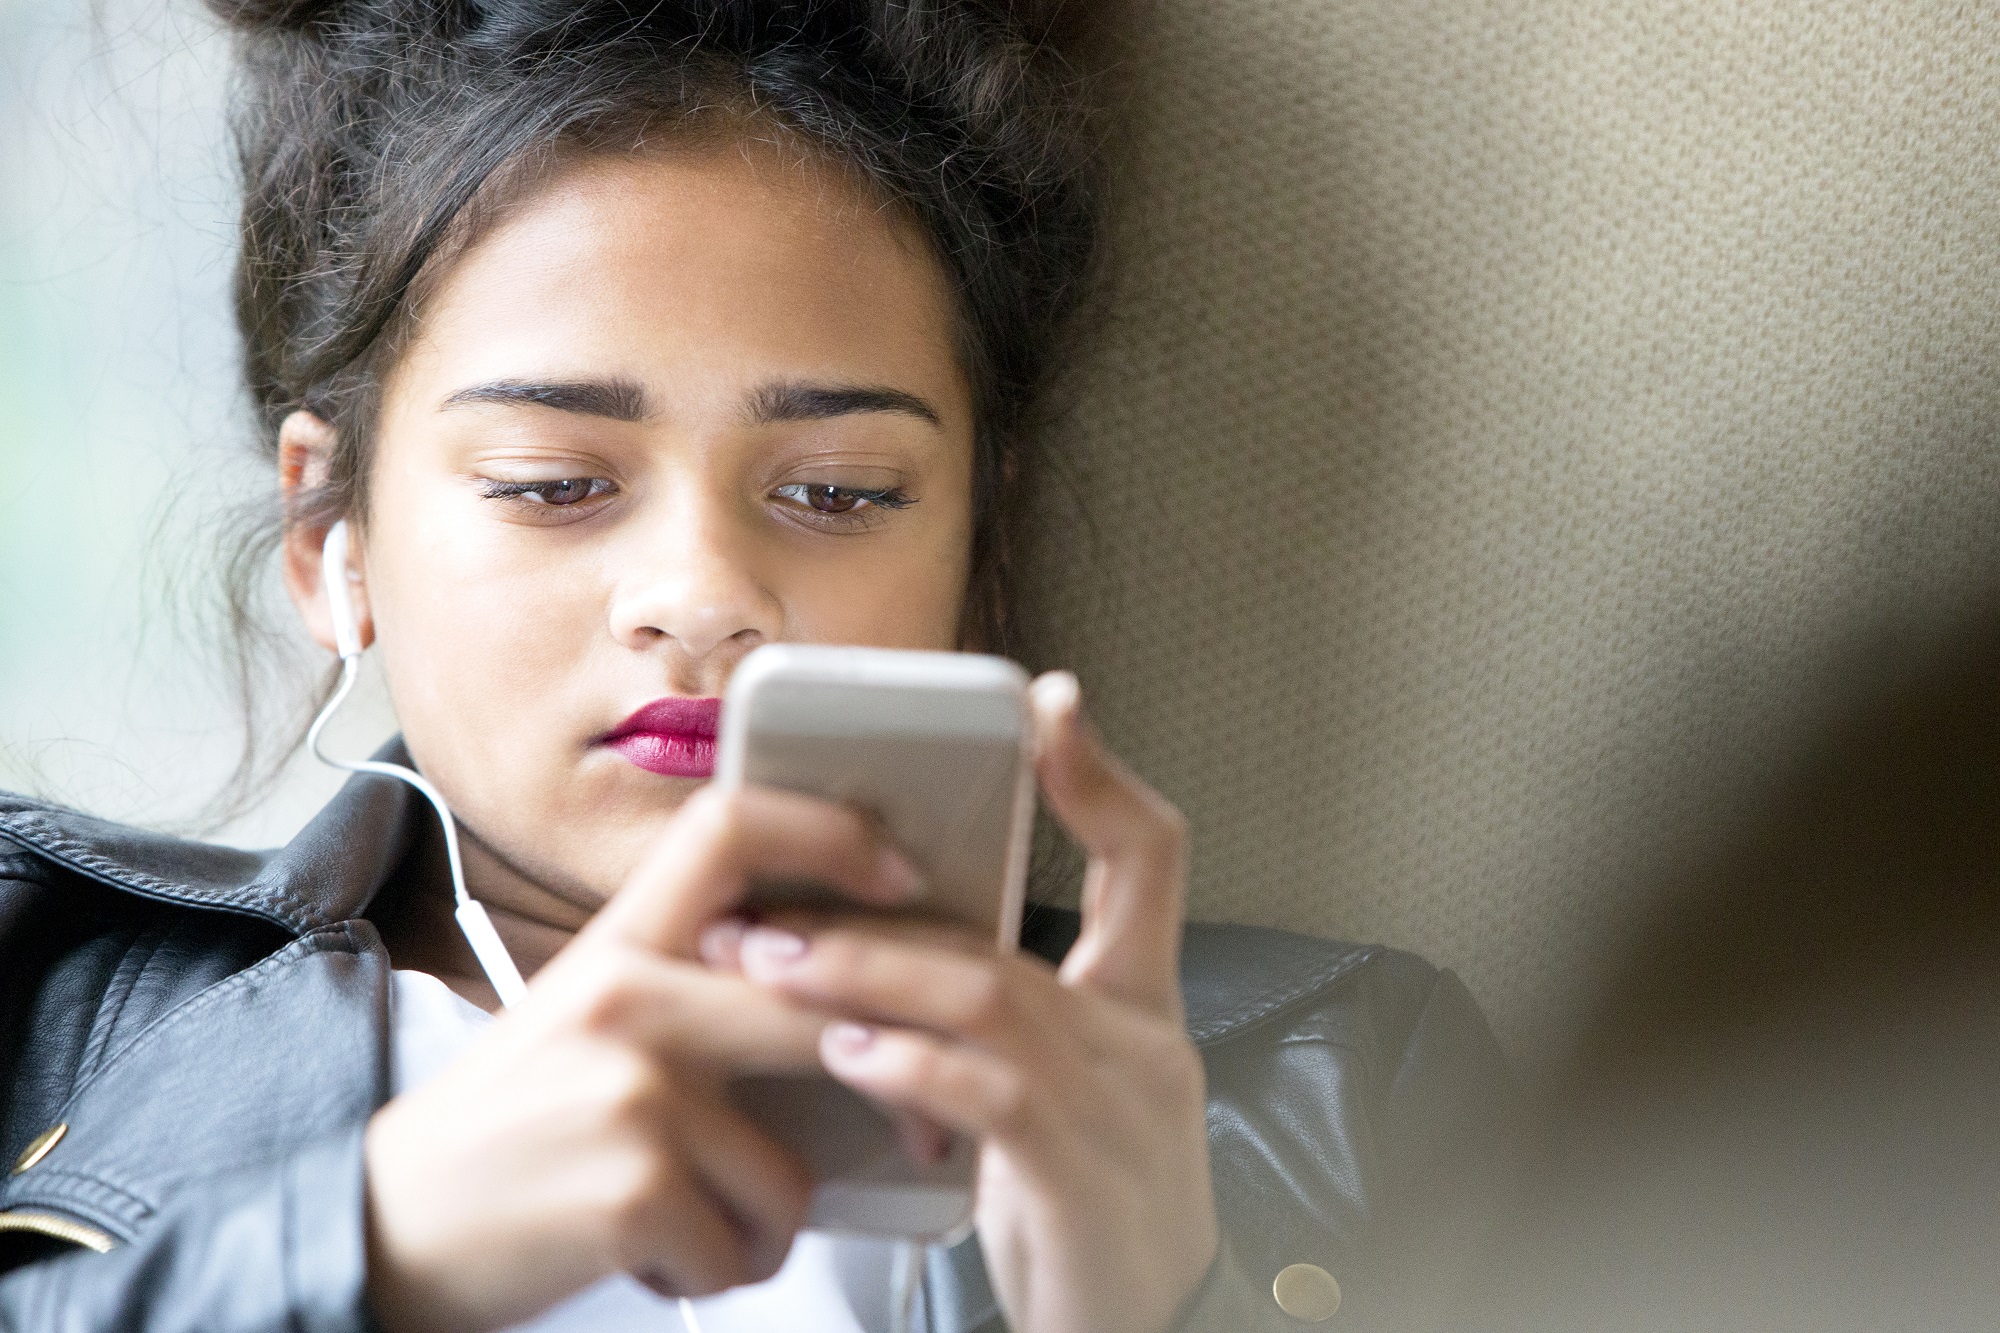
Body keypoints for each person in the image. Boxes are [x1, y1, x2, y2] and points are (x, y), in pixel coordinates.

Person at [0, 3, 1510, 1330]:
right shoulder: (35, 988)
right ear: (329, 536)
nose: (703, 595)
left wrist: (1166, 1311)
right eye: (551, 481)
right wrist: (373, 1248)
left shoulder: (1336, 1076)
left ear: (977, 546)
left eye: (840, 491)